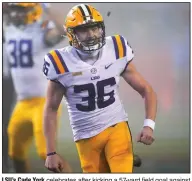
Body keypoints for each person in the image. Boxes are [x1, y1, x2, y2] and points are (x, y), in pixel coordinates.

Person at [43, 4, 157, 173]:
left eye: (95, 28)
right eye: (84, 30)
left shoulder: (116, 48)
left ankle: (122, 157)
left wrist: (149, 125)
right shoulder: (60, 62)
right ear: (71, 33)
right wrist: (50, 152)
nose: (91, 35)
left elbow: (146, 90)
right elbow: (51, 109)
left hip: (116, 127)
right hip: (85, 137)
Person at [3, 3, 72, 173]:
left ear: (34, 11)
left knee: (46, 153)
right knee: (14, 153)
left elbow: (64, 29)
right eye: (15, 11)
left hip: (44, 102)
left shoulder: (40, 31)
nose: (16, 15)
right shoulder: (9, 30)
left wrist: (46, 5)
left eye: (21, 11)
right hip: (22, 103)